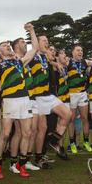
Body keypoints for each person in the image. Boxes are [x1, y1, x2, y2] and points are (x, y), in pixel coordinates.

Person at [0, 25, 39, 178]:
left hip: (24, 99)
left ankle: (22, 164)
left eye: (8, 45)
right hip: (9, 101)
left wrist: (31, 31)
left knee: (27, 132)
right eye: (4, 46)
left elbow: (34, 50)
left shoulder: (19, 62)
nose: (7, 46)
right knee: (5, 134)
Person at [27, 35, 71, 166]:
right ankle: (38, 158)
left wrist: (55, 62)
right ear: (37, 43)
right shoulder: (32, 56)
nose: (46, 43)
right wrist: (32, 32)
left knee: (67, 114)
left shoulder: (45, 57)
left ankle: (53, 140)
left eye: (47, 41)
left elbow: (50, 61)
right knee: (42, 129)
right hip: (37, 97)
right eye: (43, 41)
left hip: (48, 96)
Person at [67, 45, 92, 153]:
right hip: (72, 94)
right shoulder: (68, 62)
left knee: (84, 118)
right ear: (72, 52)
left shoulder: (85, 62)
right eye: (78, 50)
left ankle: (86, 142)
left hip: (82, 94)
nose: (80, 52)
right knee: (71, 119)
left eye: (81, 50)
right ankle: (72, 143)